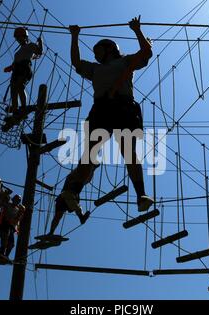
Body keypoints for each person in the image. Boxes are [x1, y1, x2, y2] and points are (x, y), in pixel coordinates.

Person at [46, 16, 154, 237]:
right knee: (93, 155)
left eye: (98, 52)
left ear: (109, 50)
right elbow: (76, 62)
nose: (95, 56)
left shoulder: (124, 62)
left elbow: (146, 53)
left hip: (120, 107)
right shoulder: (94, 69)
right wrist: (74, 37)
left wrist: (137, 30)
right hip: (105, 109)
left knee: (125, 151)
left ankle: (140, 195)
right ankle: (73, 191)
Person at [4, 27, 43, 115]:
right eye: (17, 38)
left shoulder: (31, 45)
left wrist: (41, 42)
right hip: (16, 70)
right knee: (13, 90)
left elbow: (39, 52)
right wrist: (10, 68)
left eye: (20, 37)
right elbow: (15, 63)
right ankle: (15, 111)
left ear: (25, 37)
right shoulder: (17, 53)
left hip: (25, 68)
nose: (18, 39)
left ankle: (24, 108)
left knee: (20, 86)